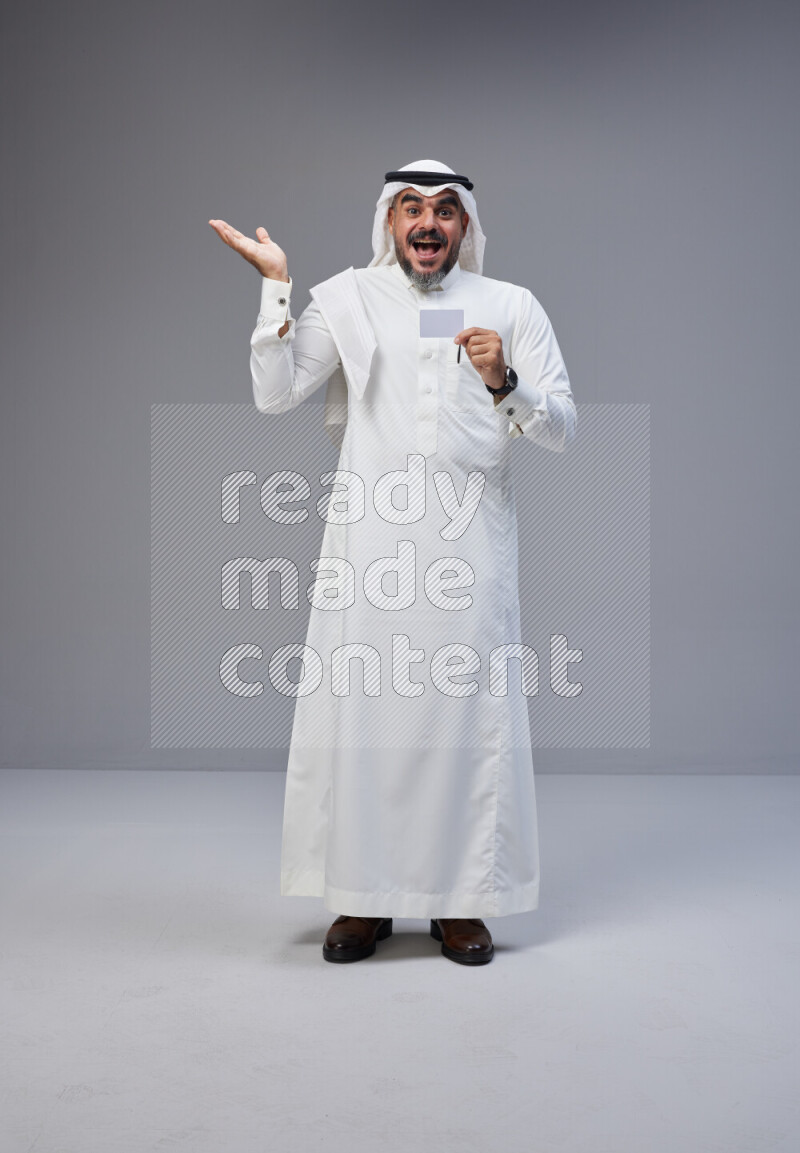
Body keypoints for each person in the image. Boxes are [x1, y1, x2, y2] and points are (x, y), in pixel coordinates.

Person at [209, 159, 576, 966]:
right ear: (388, 221)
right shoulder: (346, 298)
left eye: (446, 210)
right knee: (366, 719)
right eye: (411, 207)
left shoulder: (510, 306)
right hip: (368, 546)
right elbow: (276, 394)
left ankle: (459, 902)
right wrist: (276, 286)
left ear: (466, 226)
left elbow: (560, 428)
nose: (428, 223)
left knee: (462, 720)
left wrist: (501, 380)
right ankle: (362, 899)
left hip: (470, 548)